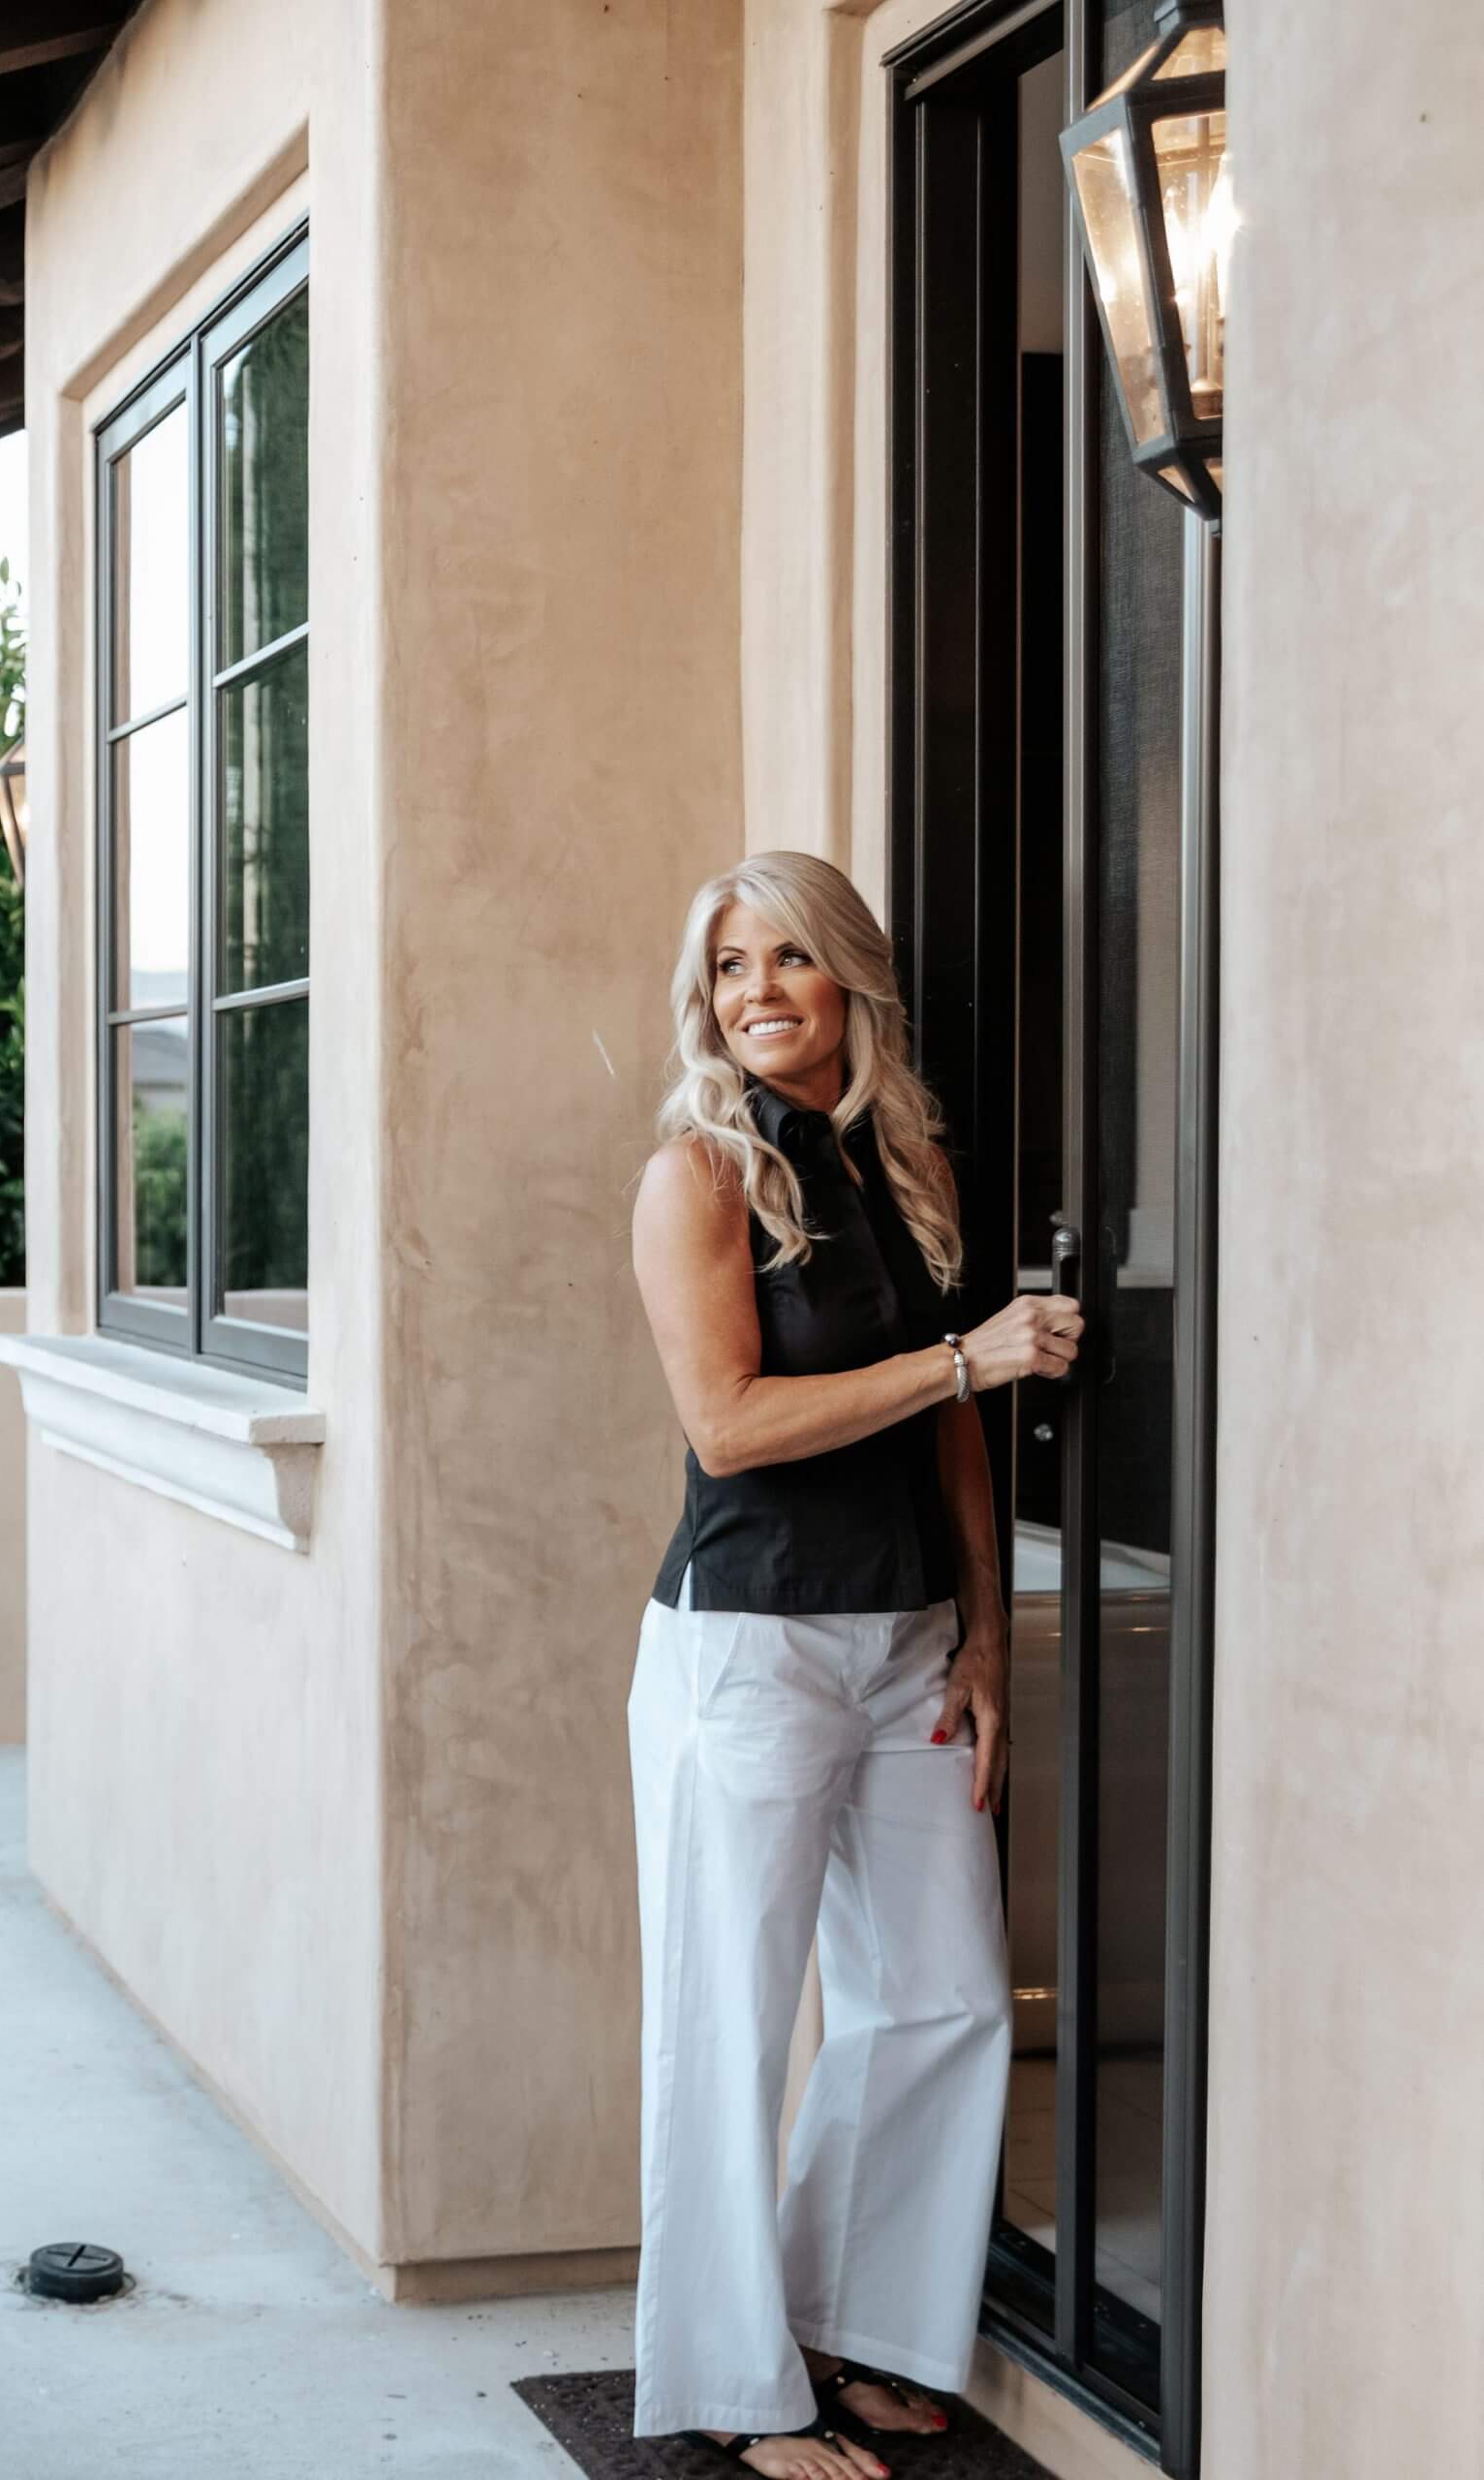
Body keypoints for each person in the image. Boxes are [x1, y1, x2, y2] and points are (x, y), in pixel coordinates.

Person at [626, 852, 1082, 2478]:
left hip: (907, 1646)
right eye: (730, 964)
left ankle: (844, 2327)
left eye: (789, 958)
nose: (758, 989)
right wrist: (962, 1358)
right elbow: (729, 1425)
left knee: (943, 1999)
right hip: (748, 1644)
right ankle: (734, 2387)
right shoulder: (700, 1178)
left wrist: (984, 1635)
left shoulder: (910, 1165)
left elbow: (954, 1426)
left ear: (849, 982)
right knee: (730, 2024)